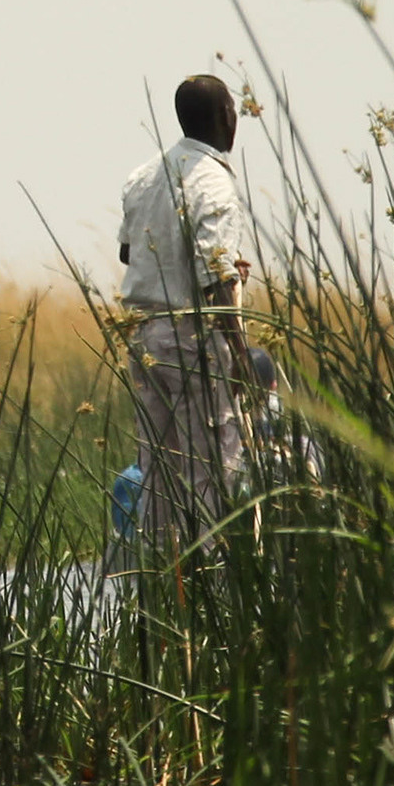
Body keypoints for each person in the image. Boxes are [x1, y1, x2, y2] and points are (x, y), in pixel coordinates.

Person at [116, 74, 261, 546]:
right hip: (192, 339)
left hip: (144, 338)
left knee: (157, 470)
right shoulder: (213, 181)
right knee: (210, 464)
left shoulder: (143, 176)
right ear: (224, 119)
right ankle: (213, 579)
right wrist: (239, 353)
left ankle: (165, 580)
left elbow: (128, 253)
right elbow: (214, 276)